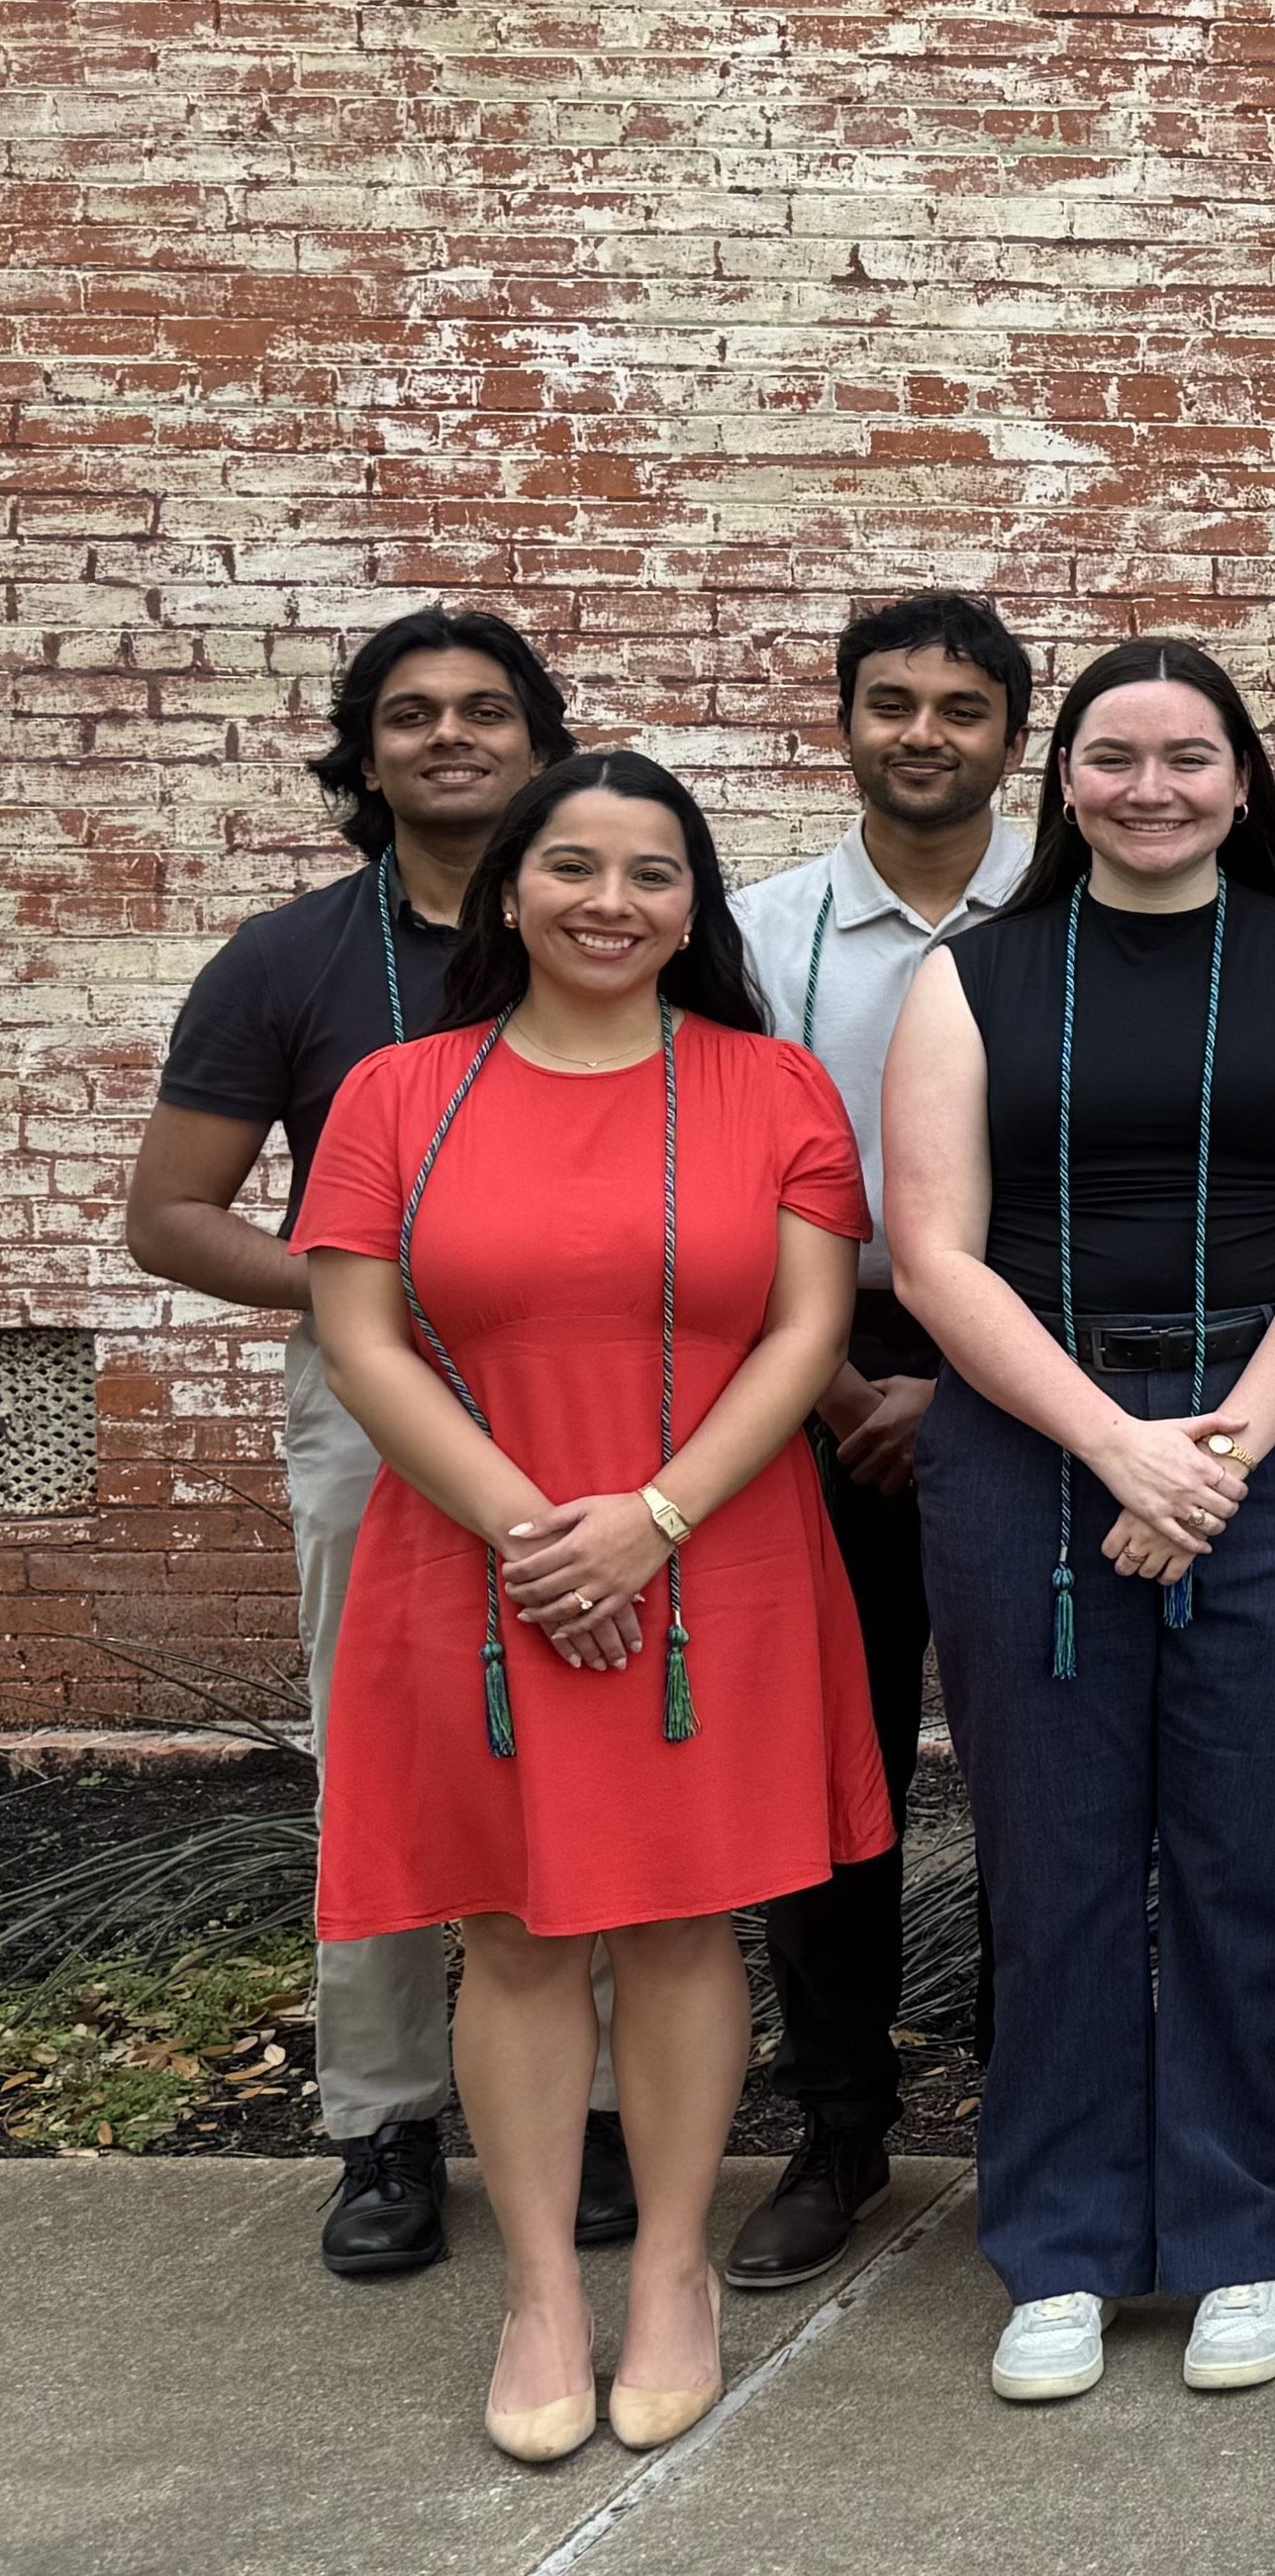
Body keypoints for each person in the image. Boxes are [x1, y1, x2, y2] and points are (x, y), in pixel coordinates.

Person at [296, 751, 892, 2463]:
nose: (610, 902)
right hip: (469, 1561)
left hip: (715, 1559)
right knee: (514, 1929)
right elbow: (361, 1336)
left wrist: (650, 1518)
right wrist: (525, 1529)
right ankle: (544, 2288)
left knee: (685, 1922)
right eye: (573, 865)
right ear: (509, 889)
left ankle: (676, 2272)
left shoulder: (771, 1085)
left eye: (651, 874)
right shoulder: (398, 1093)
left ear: (695, 908)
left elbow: (803, 1330)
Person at [882, 639, 1275, 2404]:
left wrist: (1218, 1453)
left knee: (1251, 1868)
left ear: (1243, 786)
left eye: (1192, 758)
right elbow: (934, 1251)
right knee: (1057, 1866)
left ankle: (1237, 2228)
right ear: (1066, 783)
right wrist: (1121, 1448)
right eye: (1114, 756)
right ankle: (1059, 2242)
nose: (1152, 787)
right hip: (1037, 1447)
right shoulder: (976, 978)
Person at [127, 604, 620, 2281]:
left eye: (488, 710)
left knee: (602, 1740)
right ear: (367, 751)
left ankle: (599, 2104)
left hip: (601, 1400)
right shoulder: (293, 961)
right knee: (392, 1754)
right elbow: (172, 1218)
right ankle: (387, 2118)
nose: (452, 737)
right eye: (411, 714)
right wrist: (373, 1284)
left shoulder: (609, 924)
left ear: (543, 745)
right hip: (375, 1398)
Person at [722, 589, 1038, 2287]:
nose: (925, 731)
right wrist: (839, 1383)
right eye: (893, 701)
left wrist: (976, 1381)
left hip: (1029, 1378)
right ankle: (839, 2127)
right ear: (843, 721)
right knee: (829, 1777)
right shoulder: (760, 935)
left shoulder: (1070, 913)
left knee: (1033, 1772)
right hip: (803, 1380)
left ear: (1011, 735)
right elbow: (718, 1181)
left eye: (962, 707)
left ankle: (1026, 2119)